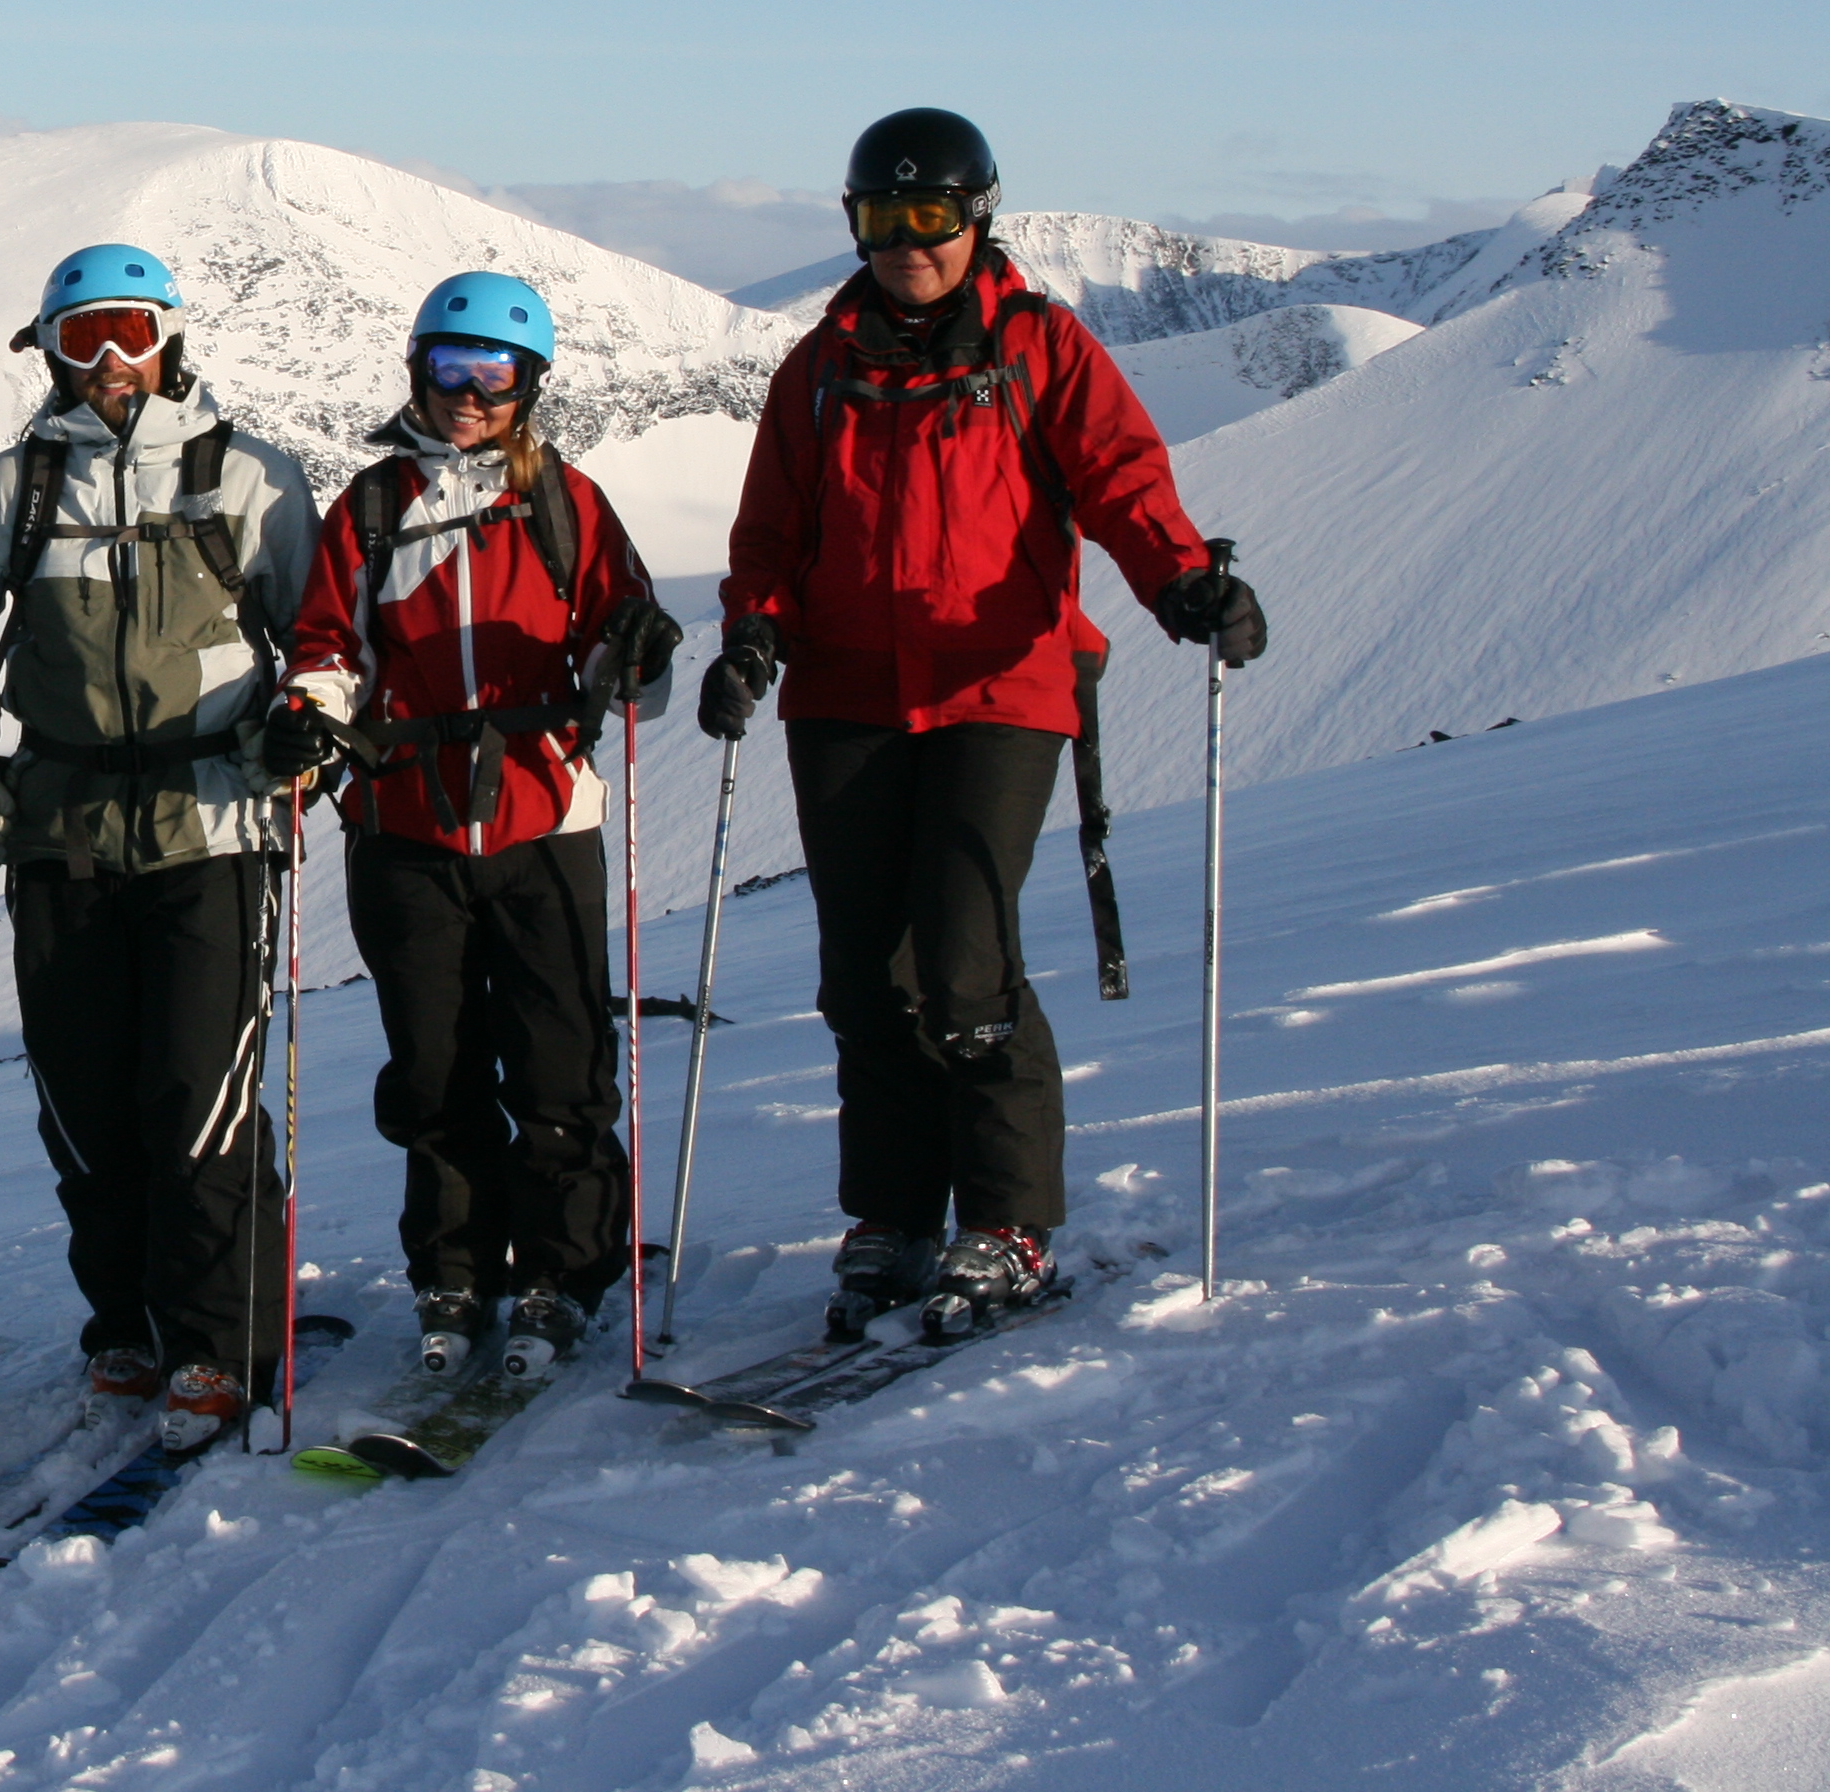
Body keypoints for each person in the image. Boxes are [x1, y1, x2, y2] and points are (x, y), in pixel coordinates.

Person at [703, 108, 1267, 1332]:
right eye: (881, 217)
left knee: (963, 960)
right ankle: (896, 1217)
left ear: (978, 216)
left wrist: (1181, 581)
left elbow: (1121, 477)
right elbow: (772, 533)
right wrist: (756, 627)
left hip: (1000, 688)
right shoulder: (821, 368)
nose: (909, 241)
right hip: (847, 691)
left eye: (932, 216)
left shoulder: (1038, 348)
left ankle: (1009, 1220)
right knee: (865, 972)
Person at [0, 244, 315, 1449]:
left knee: (199, 1093)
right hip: (60, 828)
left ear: (171, 340)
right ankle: (128, 1325)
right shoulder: (10, 493)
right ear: (48, 351)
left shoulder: (248, 478)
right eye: (83, 336)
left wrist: (308, 727)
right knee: (86, 1098)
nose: (109, 362)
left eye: (131, 332)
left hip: (214, 823)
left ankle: (218, 1339)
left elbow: (322, 632)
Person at [268, 272, 679, 1381]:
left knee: (559, 1067)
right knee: (436, 1073)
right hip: (406, 824)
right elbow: (326, 647)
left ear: (530, 387)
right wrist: (312, 716)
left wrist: (636, 651)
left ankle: (564, 1269)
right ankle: (456, 1271)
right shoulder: (369, 506)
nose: (469, 394)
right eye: (451, 368)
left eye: (494, 374)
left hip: (543, 818)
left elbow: (622, 661)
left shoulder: (568, 504)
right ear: (418, 369)